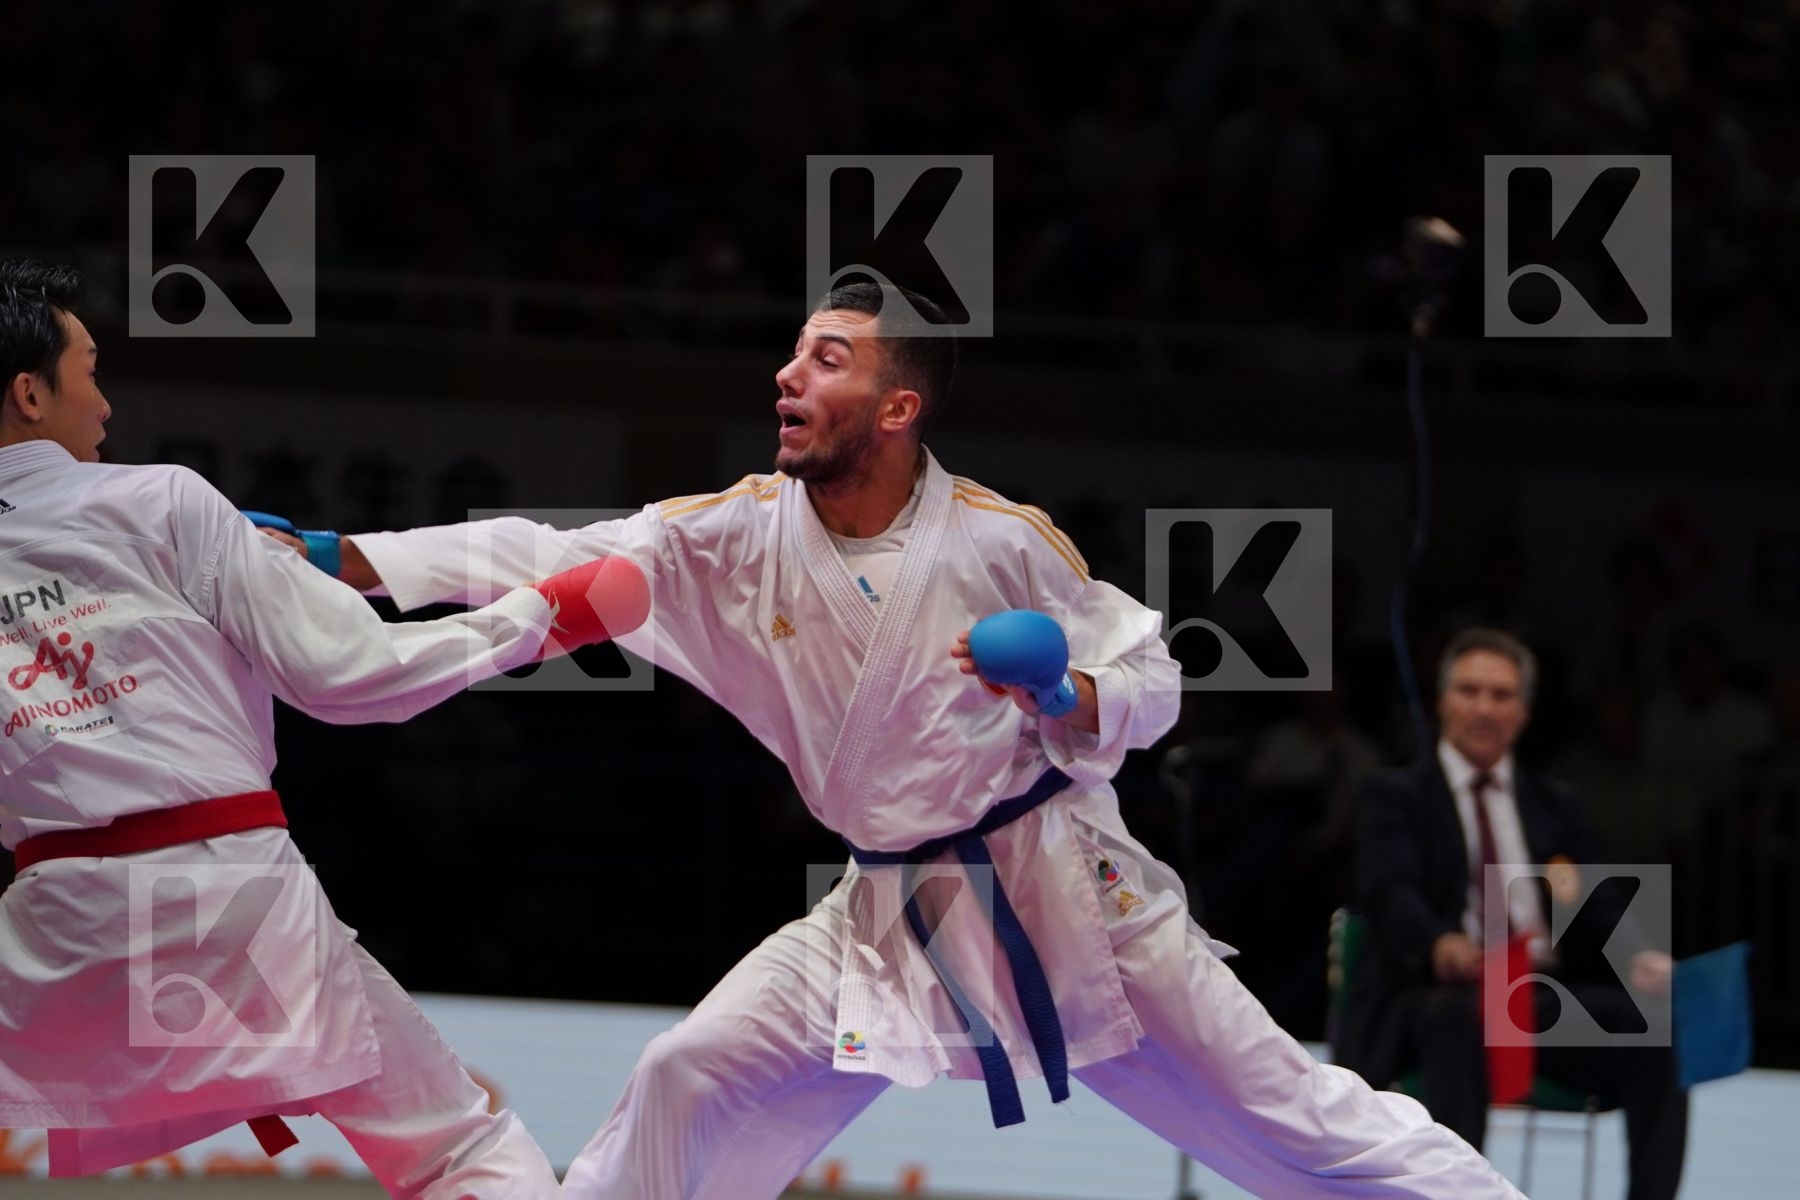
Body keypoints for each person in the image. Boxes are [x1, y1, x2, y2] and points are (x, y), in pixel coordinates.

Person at [299, 282, 1524, 1198]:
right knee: (689, 1073)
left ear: (896, 404)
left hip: (1064, 896)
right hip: (886, 909)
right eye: (790, 354)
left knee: (1294, 1120)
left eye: (823, 360)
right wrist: (356, 560)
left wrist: (1066, 694)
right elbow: (550, 553)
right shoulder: (734, 536)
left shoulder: (1001, 541)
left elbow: (1149, 675)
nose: (786, 376)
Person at [0, 260, 636, 1195]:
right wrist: (542, 620)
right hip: (227, 899)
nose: (104, 405)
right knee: (454, 1148)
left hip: (53, 930)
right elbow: (354, 676)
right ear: (28, 391)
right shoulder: (160, 500)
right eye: (90, 371)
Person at [1342, 627, 1687, 1200]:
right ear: (1442, 702)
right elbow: (1389, 892)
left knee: (1657, 1029)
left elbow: (1593, 905)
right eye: (1469, 691)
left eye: (1501, 695)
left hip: (1530, 1002)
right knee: (1460, 1019)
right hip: (1431, 1000)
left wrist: (1639, 957)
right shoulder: (1395, 795)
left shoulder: (1556, 804)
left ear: (1523, 712)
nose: (1484, 707)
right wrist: (1439, 945)